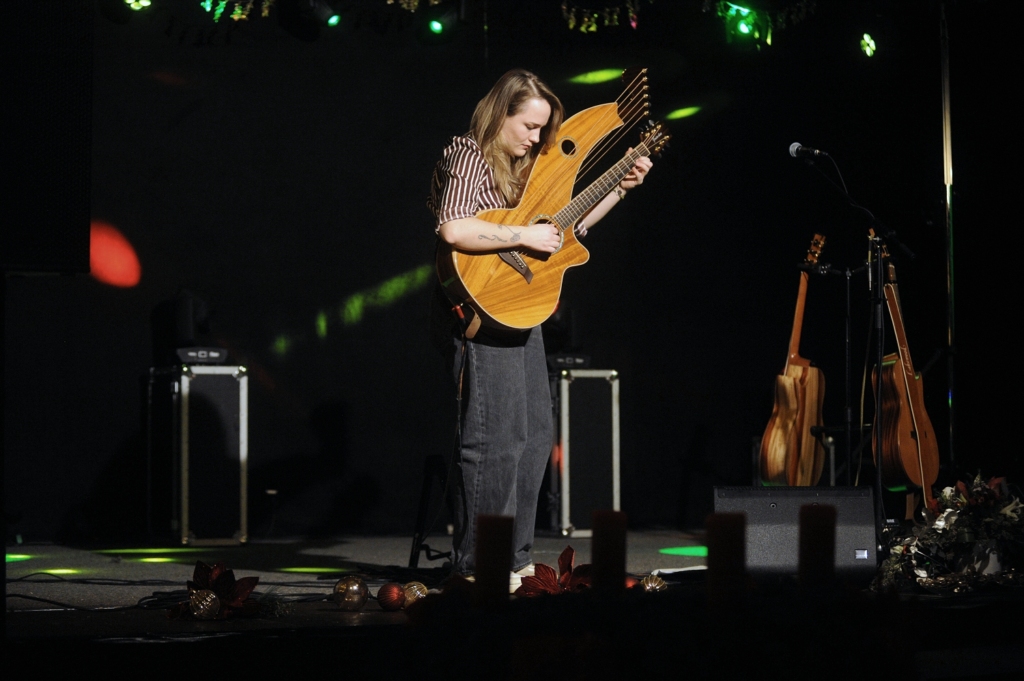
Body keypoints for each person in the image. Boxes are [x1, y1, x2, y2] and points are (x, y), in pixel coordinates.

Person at [427, 69, 652, 587]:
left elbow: (569, 227)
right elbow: (454, 227)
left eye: (541, 128)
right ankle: (478, 565)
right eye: (527, 126)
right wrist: (524, 233)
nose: (534, 137)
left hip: (522, 307)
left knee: (533, 437)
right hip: (482, 306)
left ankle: (514, 558)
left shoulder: (529, 166)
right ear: (499, 113)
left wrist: (620, 186)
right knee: (494, 440)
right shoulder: (469, 153)